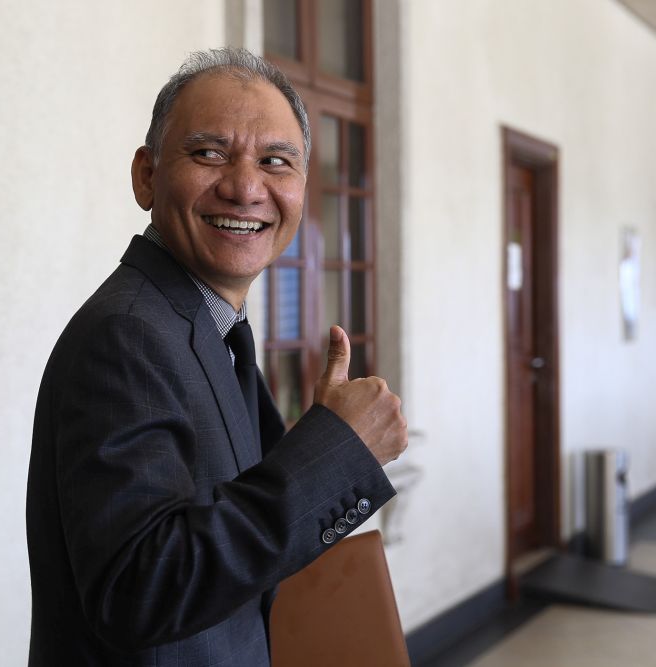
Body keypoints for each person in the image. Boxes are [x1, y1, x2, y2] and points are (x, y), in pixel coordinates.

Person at [26, 48, 407, 666]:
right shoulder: (127, 336)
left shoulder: (206, 327)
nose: (245, 188)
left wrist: (311, 444)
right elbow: (139, 589)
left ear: (302, 189)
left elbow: (230, 530)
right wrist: (341, 451)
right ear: (146, 176)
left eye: (275, 162)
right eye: (208, 154)